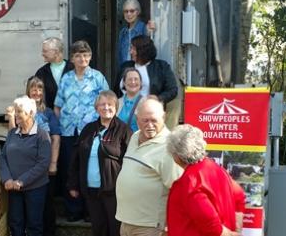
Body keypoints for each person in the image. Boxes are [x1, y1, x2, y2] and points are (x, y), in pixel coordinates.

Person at [54, 40, 109, 221]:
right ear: (72, 58)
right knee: (71, 169)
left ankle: (89, 211)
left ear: (90, 57)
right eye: (78, 55)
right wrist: (59, 128)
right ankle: (73, 210)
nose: (82, 58)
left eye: (85, 55)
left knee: (89, 168)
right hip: (69, 131)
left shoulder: (97, 77)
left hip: (91, 131)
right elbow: (58, 105)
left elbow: (108, 102)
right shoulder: (66, 78)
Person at [67, 90, 132, 236]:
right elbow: (75, 159)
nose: (106, 107)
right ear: (96, 108)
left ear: (116, 107)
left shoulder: (124, 130)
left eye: (110, 104)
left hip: (114, 191)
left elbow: (131, 160)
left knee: (115, 229)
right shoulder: (88, 129)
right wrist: (73, 184)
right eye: (102, 104)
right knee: (98, 228)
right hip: (91, 191)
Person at [115, 97, 182, 236]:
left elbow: (177, 188)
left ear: (163, 117)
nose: (150, 125)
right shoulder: (134, 137)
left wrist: (169, 225)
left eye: (154, 120)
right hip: (126, 221)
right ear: (137, 119)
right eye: (145, 120)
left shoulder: (169, 146)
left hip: (151, 227)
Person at [166, 124, 246, 236]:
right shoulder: (217, 169)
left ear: (177, 156)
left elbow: (210, 223)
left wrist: (230, 234)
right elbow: (239, 195)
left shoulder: (190, 182)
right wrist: (236, 226)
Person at [6, 77, 61, 236]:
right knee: (17, 219)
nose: (37, 92)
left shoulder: (48, 113)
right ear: (28, 91)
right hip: (20, 170)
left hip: (40, 166)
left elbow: (56, 138)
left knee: (43, 211)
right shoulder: (19, 110)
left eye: (40, 89)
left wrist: (53, 163)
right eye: (33, 89)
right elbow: (12, 136)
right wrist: (11, 117)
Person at [0, 96, 51, 236]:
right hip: (14, 189)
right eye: (15, 111)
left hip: (35, 189)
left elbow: (43, 163)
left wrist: (22, 181)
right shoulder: (12, 134)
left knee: (34, 225)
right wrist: (7, 179)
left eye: (19, 111)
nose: (15, 115)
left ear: (30, 114)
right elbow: (2, 158)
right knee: (15, 224)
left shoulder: (42, 135)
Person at [114, 35, 179, 128]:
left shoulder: (161, 67)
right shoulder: (125, 66)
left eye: (133, 49)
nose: (130, 52)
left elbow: (173, 90)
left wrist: (158, 98)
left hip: (148, 114)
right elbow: (116, 91)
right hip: (123, 114)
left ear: (142, 51)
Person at [35, 37, 74, 109]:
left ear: (56, 52)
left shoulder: (74, 69)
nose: (42, 54)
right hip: (50, 117)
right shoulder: (41, 72)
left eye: (45, 51)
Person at [117, 0, 153, 67]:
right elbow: (120, 57)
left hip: (140, 69)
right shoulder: (122, 32)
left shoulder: (144, 28)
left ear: (138, 12)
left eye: (132, 11)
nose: (129, 14)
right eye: (126, 11)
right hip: (125, 70)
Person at [117, 67, 143, 132]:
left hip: (138, 141)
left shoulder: (146, 103)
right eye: (130, 79)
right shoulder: (117, 102)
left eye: (136, 79)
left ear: (141, 82)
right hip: (120, 141)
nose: (133, 82)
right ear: (124, 83)